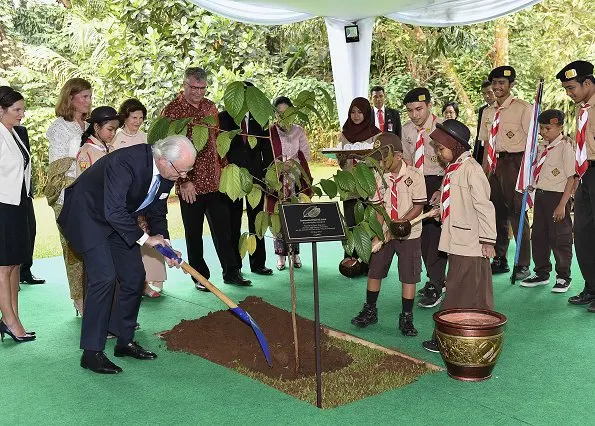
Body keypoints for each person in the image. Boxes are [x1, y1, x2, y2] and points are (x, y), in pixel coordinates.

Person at [57, 135, 196, 374]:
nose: (183, 176)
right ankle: (91, 353)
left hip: (117, 221)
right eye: (180, 170)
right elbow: (113, 210)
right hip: (88, 217)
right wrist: (146, 239)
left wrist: (164, 242)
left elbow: (157, 209)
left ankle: (124, 340)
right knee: (104, 278)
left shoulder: (167, 172)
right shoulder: (126, 163)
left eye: (187, 171)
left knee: (134, 276)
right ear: (162, 159)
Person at [162, 67, 249, 291]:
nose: (198, 92)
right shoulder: (172, 111)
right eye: (194, 88)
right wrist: (183, 181)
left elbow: (216, 142)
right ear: (184, 85)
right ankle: (200, 278)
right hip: (189, 182)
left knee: (224, 229)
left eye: (202, 88)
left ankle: (232, 272)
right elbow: (168, 150)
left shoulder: (211, 107)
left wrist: (225, 169)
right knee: (194, 233)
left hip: (215, 180)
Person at [421, 120, 496, 352]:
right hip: (459, 241)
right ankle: (476, 334)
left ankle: (444, 337)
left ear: (455, 146)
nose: (438, 153)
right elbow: (458, 201)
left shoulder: (471, 170)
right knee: (473, 293)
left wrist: (488, 239)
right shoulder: (454, 168)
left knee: (460, 291)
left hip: (471, 243)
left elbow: (484, 206)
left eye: (441, 148)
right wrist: (441, 208)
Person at [350, 132, 426, 336]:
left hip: (409, 233)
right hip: (385, 232)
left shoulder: (415, 176)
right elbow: (379, 209)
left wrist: (401, 224)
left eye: (384, 159)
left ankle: (406, 317)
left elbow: (418, 206)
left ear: (399, 156)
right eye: (378, 159)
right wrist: (378, 234)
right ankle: (370, 310)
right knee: (375, 270)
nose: (380, 163)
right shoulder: (377, 176)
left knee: (408, 276)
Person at [478, 66, 532, 280]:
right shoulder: (488, 111)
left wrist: (527, 173)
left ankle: (523, 263)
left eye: (502, 83)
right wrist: (483, 172)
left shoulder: (523, 108)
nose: (498, 87)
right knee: (495, 211)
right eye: (495, 83)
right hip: (493, 164)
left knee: (517, 212)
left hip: (515, 163)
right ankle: (500, 258)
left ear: (511, 84)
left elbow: (531, 144)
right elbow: (484, 144)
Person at [111, 99, 168, 298]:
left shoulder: (148, 138)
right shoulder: (115, 139)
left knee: (147, 238)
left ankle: (147, 282)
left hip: (146, 200)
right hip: (124, 201)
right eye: (134, 117)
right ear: (124, 118)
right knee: (130, 242)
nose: (138, 121)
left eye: (141, 117)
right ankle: (134, 284)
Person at [46, 78, 92, 315]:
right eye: (83, 96)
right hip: (67, 196)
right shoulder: (59, 127)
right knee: (73, 249)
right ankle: (79, 300)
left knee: (94, 248)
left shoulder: (89, 125)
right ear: (70, 98)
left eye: (89, 96)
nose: (88, 101)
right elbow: (56, 167)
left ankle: (96, 296)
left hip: (92, 196)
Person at [218, 83, 273, 276]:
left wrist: (269, 175)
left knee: (256, 221)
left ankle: (258, 264)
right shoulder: (223, 118)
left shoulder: (260, 118)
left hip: (256, 178)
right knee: (232, 223)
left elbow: (268, 150)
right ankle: (234, 268)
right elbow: (219, 149)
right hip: (232, 177)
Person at [401, 88, 447, 308]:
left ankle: (437, 284)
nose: (415, 114)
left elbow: (450, 163)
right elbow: (408, 162)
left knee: (434, 236)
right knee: (419, 235)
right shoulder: (407, 130)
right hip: (416, 184)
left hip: (436, 183)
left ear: (429, 105)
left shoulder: (441, 128)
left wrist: (442, 188)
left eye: (419, 109)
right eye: (410, 110)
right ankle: (434, 279)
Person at [520, 110, 575, 292]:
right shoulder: (542, 146)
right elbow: (537, 169)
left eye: (548, 128)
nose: (544, 132)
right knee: (539, 236)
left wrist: (562, 204)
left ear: (560, 127)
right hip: (541, 195)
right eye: (541, 128)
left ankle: (563, 276)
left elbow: (571, 177)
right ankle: (542, 273)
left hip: (557, 197)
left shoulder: (566, 147)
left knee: (559, 237)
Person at [556, 60, 595, 312]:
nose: (569, 93)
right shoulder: (583, 109)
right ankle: (591, 287)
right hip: (585, 175)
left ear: (588, 83)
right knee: (582, 232)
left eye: (571, 88)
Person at [0, 86, 36, 343]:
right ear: (1, 110)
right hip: (2, 205)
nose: (22, 114)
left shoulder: (17, 133)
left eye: (23, 109)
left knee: (14, 263)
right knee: (3, 266)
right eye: (16, 110)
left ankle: (13, 317)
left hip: (18, 204)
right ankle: (10, 321)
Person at [267, 96, 312, 270]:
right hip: (276, 180)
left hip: (294, 179)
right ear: (275, 114)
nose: (283, 117)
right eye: (280, 113)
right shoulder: (270, 132)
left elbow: (305, 155)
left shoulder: (298, 131)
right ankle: (280, 256)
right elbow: (266, 156)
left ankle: (295, 253)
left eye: (287, 113)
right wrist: (279, 167)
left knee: (294, 217)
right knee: (277, 216)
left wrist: (292, 166)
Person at [337, 97, 381, 275]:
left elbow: (379, 160)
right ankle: (350, 262)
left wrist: (363, 156)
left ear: (367, 113)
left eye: (359, 112)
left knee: (368, 222)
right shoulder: (344, 133)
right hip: (349, 185)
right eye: (353, 112)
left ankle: (369, 263)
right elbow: (341, 163)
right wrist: (344, 156)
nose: (356, 116)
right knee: (351, 223)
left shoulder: (376, 134)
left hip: (368, 183)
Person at [17, 124, 45, 286]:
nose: (22, 114)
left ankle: (25, 272)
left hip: (24, 191)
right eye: (17, 109)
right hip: (6, 194)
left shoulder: (21, 131)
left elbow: (27, 163)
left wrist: (29, 189)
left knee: (30, 231)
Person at [75, 106, 119, 177]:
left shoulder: (110, 148)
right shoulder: (86, 152)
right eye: (110, 129)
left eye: (115, 130)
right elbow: (82, 183)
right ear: (96, 127)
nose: (113, 133)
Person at [473, 81, 496, 163]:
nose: (487, 96)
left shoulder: (502, 108)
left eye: (490, 92)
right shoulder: (482, 110)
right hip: (483, 148)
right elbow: (479, 133)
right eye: (484, 93)